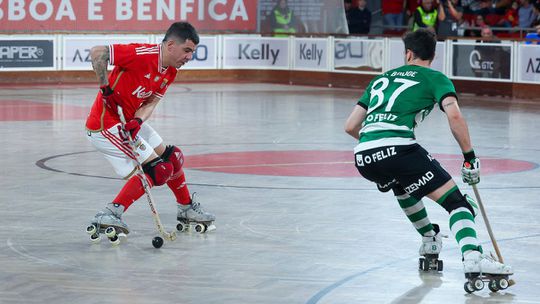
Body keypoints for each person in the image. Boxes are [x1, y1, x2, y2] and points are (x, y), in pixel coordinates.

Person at [344, 29, 512, 282]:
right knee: (458, 203)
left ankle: (429, 239)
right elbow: (454, 116)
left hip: (364, 158)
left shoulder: (380, 79)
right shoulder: (435, 78)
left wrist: (376, 148)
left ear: (408, 53)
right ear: (432, 55)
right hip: (399, 149)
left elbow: (350, 126)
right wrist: (469, 157)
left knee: (403, 186)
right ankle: (473, 258)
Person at [85, 22, 215, 239]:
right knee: (159, 170)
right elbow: (98, 53)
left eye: (192, 52)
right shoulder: (141, 54)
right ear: (171, 45)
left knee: (173, 158)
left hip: (127, 122)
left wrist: (137, 120)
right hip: (105, 125)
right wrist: (104, 87)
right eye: (187, 50)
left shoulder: (170, 71)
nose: (189, 57)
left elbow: (151, 103)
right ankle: (110, 213)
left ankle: (186, 208)